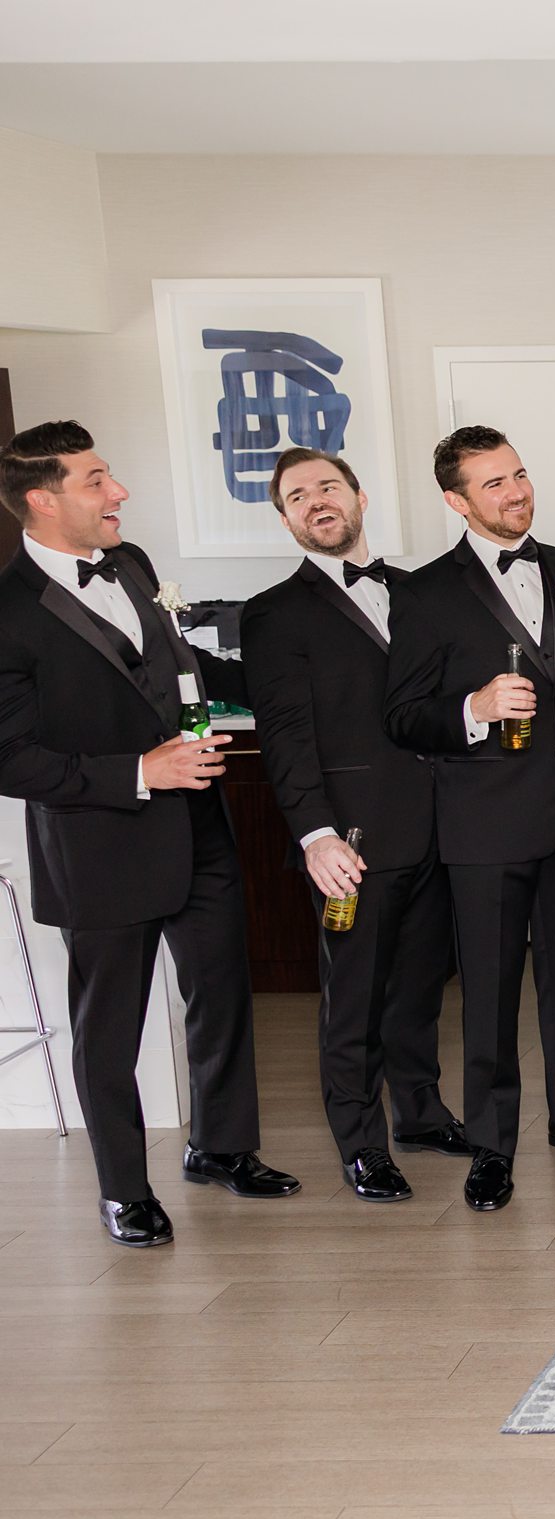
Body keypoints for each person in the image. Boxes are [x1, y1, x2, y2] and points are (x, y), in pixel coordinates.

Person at [0, 420, 297, 1245]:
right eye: (96, 480)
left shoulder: (131, 565)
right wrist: (140, 771)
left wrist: (256, 694)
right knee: (110, 1029)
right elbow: (12, 759)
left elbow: (171, 668)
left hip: (198, 827)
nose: (118, 492)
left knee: (222, 993)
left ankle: (223, 1147)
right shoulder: (7, 614)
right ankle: (124, 1190)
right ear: (41, 499)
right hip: (100, 849)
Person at [384, 426, 555, 1209]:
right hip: (484, 826)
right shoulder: (424, 593)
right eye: (493, 483)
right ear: (456, 500)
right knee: (489, 996)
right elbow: (402, 716)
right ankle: (492, 1146)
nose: (516, 492)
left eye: (519, 475)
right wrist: (473, 708)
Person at [243, 448, 467, 1204]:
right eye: (298, 496)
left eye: (327, 487)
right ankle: (361, 1142)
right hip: (353, 844)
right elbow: (285, 735)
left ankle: (422, 1113)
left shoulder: (419, 592)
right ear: (285, 519)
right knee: (355, 997)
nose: (316, 502)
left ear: (360, 497)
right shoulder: (273, 613)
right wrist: (315, 836)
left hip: (441, 826)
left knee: (422, 987)